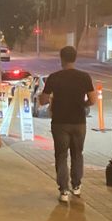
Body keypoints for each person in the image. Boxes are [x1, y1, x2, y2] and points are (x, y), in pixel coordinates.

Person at [39, 46, 97, 203]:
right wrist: (81, 105)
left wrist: (50, 100)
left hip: (59, 122)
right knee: (78, 154)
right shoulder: (84, 77)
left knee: (61, 155)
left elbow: (43, 100)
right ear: (75, 58)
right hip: (79, 122)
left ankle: (63, 190)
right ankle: (76, 185)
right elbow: (92, 100)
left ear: (61, 58)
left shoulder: (54, 77)